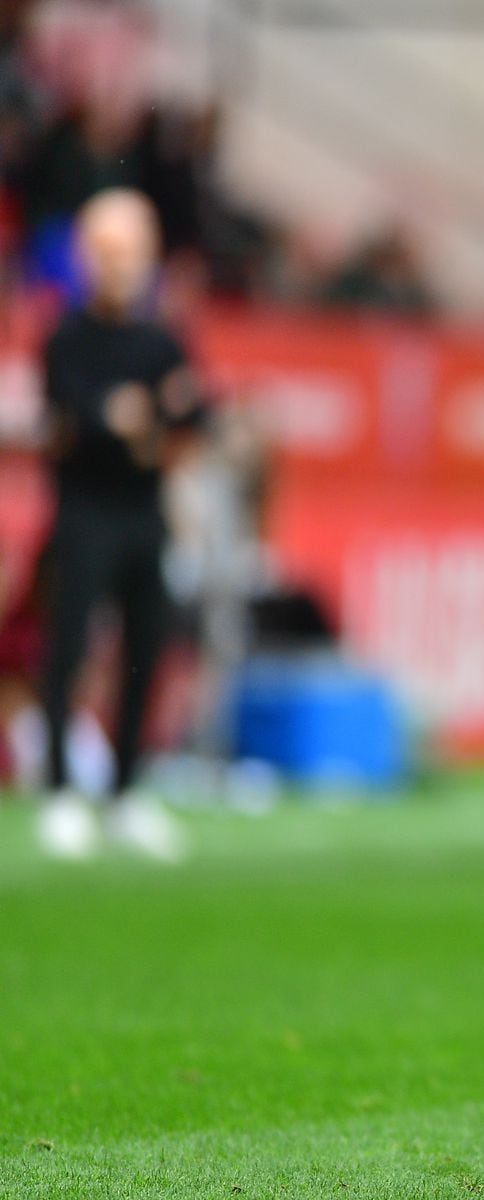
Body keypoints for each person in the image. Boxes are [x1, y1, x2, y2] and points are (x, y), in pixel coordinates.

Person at [35, 187, 205, 861]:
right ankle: (59, 791)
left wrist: (137, 420)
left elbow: (189, 413)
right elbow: (78, 417)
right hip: (83, 514)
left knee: (145, 650)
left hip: (144, 512)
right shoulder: (67, 338)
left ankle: (127, 789)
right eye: (107, 252)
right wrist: (123, 419)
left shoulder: (163, 339)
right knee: (69, 650)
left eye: (131, 252)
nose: (119, 266)